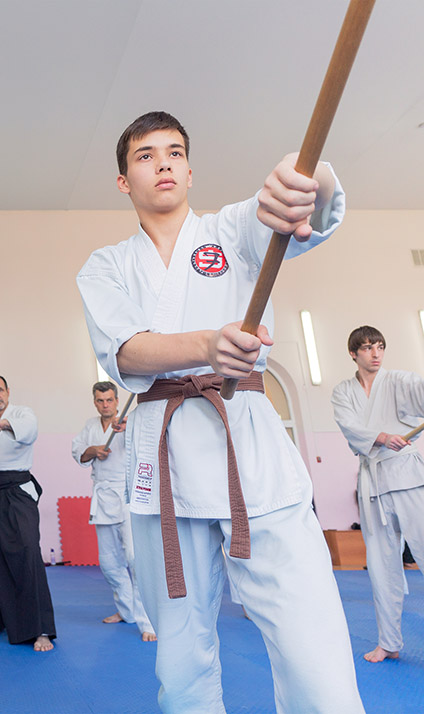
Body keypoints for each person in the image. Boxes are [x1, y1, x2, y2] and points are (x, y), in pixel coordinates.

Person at [77, 111, 363, 712]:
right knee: (181, 663)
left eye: (175, 152)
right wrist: (207, 344)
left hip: (250, 446)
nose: (163, 163)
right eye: (145, 155)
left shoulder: (232, 229)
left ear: (189, 170)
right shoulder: (105, 266)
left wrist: (302, 181)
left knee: (313, 645)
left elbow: (290, 212)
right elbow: (126, 351)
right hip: (162, 463)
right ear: (124, 181)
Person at [331, 325, 424, 663]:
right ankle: (389, 642)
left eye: (380, 346)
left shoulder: (399, 381)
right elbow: (349, 426)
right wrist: (383, 437)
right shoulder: (342, 392)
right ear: (353, 353)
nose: (375, 353)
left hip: (408, 476)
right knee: (381, 567)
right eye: (368, 347)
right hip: (373, 484)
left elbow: (420, 391)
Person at [0, 374, 56, 652]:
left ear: (8, 391)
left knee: (27, 553)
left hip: (18, 492)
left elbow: (29, 431)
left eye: (0, 389)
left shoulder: (22, 414)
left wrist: (3, 425)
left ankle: (40, 629)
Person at [71, 381, 155, 642]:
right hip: (103, 497)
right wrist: (93, 450)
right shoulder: (90, 426)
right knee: (109, 562)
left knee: (134, 558)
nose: (105, 405)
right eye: (100, 400)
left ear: (117, 401)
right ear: (95, 402)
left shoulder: (131, 423)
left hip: (127, 496)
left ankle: (148, 620)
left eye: (109, 400)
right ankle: (126, 611)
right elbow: (78, 452)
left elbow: (148, 445)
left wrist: (129, 428)